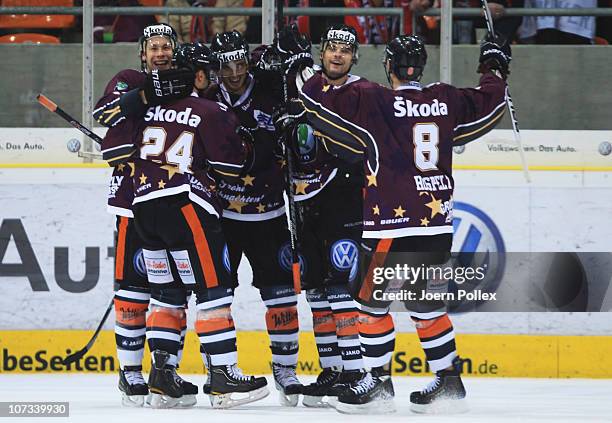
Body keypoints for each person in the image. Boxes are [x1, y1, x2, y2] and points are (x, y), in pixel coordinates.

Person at [292, 33, 510, 413]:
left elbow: (316, 103)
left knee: (370, 308)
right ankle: (449, 382)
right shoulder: (444, 99)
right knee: (426, 308)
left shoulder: (376, 100)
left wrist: (303, 68)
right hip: (437, 225)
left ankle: (377, 386)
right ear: (421, 67)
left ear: (388, 66)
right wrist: (494, 66)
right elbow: (492, 106)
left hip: (390, 226)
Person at [102, 41, 270, 409]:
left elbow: (111, 147)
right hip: (186, 207)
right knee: (213, 288)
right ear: (196, 75)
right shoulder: (208, 110)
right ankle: (223, 376)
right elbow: (233, 166)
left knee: (167, 292)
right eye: (207, 73)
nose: (211, 79)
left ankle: (162, 376)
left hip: (143, 210)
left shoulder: (148, 109)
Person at [93, 23, 197, 408]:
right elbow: (104, 113)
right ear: (142, 53)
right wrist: (146, 94)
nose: (160, 52)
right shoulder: (128, 79)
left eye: (166, 46)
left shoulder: (188, 88)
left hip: (176, 205)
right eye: (153, 46)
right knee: (134, 290)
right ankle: (130, 373)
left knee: (172, 292)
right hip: (131, 204)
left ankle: (165, 370)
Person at [273, 24, 372, 409]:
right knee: (315, 289)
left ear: (354, 57)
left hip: (343, 197)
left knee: (340, 287)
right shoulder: (311, 86)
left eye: (345, 51)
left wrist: (302, 120)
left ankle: (354, 370)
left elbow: (355, 141)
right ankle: (332, 369)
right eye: (331, 48)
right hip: (305, 197)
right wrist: (288, 119)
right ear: (323, 51)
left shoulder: (362, 91)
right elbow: (298, 124)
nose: (337, 55)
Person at [202, 30, 303, 407]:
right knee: (217, 296)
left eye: (239, 62)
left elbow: (291, 80)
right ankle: (221, 369)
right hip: (222, 218)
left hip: (269, 215)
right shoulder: (207, 101)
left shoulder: (270, 92)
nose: (234, 71)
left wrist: (293, 61)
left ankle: (286, 369)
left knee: (282, 296)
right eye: (225, 64)